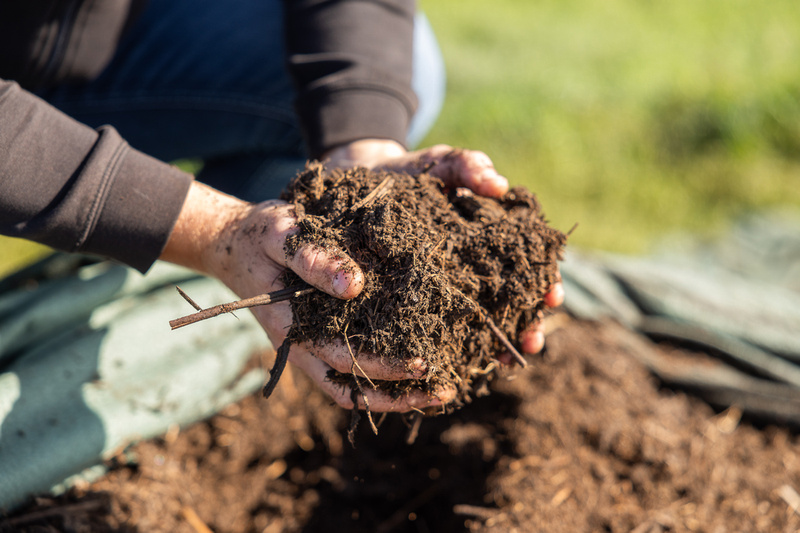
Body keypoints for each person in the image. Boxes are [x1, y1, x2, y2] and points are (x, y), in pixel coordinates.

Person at [0, 0, 563, 413]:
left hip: (85, 34)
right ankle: (164, 233)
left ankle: (173, 238)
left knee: (407, 66)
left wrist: (361, 141)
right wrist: (209, 229)